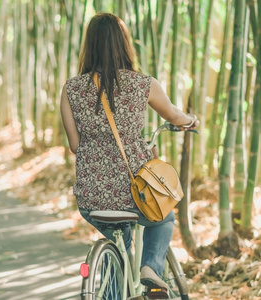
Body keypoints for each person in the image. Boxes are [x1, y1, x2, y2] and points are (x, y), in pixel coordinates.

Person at [60, 12, 199, 298]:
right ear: (124, 44)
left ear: (90, 45)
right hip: (136, 195)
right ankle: (151, 267)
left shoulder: (71, 89)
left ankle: (116, 279)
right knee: (164, 217)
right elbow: (172, 114)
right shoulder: (142, 84)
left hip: (92, 198)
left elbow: (75, 146)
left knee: (119, 250)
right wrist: (190, 120)